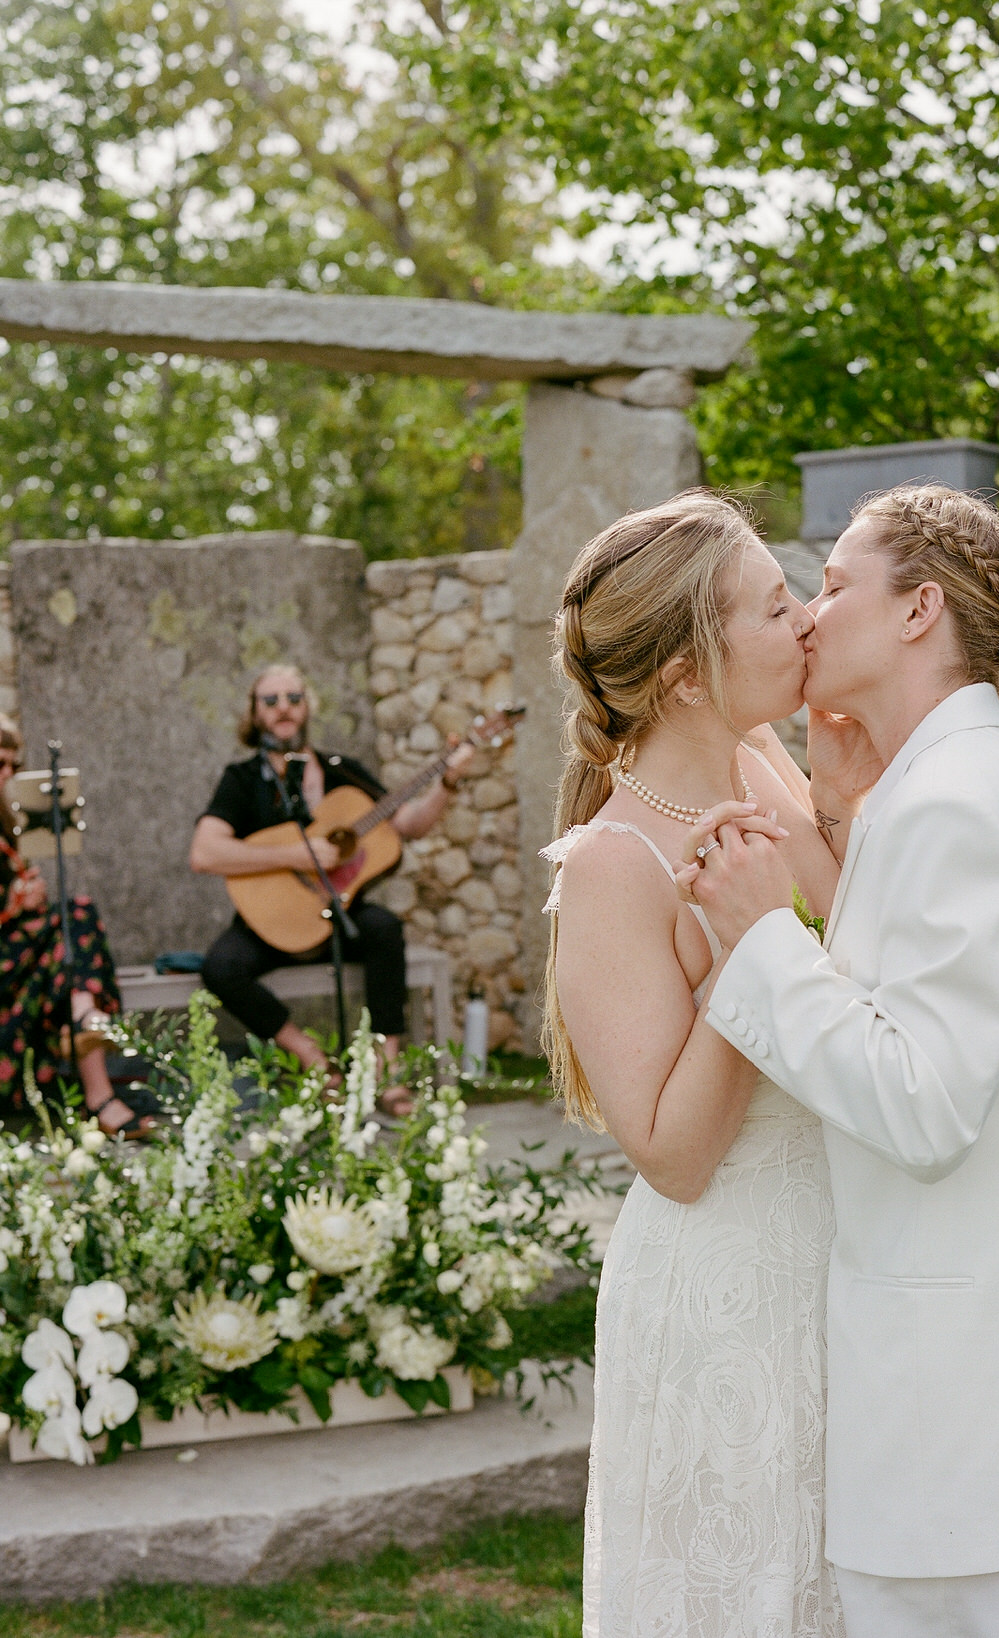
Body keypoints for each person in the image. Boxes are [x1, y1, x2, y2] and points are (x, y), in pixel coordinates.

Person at [680, 484, 999, 1638]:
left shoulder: (958, 808)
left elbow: (922, 1106)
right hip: (994, 1436)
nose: (807, 614)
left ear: (918, 612)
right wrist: (842, 820)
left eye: (835, 584)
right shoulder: (953, 795)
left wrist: (759, 940)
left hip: (964, 1435)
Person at [540, 492, 850, 1637]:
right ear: (684, 674)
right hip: (722, 1294)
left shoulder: (760, 762)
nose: (808, 619)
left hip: (832, 1260)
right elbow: (671, 1154)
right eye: (776, 607)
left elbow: (857, 937)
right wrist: (740, 957)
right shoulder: (611, 866)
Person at [190, 665, 471, 1112]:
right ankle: (313, 1058)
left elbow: (409, 825)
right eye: (271, 700)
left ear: (307, 707)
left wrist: (448, 782)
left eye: (293, 698)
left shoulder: (344, 772)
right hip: (274, 922)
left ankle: (386, 1071)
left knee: (385, 930)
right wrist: (292, 857)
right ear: (255, 713)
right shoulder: (241, 780)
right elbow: (205, 853)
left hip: (338, 915)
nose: (283, 708)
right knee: (221, 968)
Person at [0, 714, 156, 1138]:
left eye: (14, 765)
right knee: (75, 917)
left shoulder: (8, 823)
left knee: (70, 935)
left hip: (18, 959)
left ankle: (85, 1028)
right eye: (0, 764)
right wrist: (13, 903)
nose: (8, 774)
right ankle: (96, 1071)